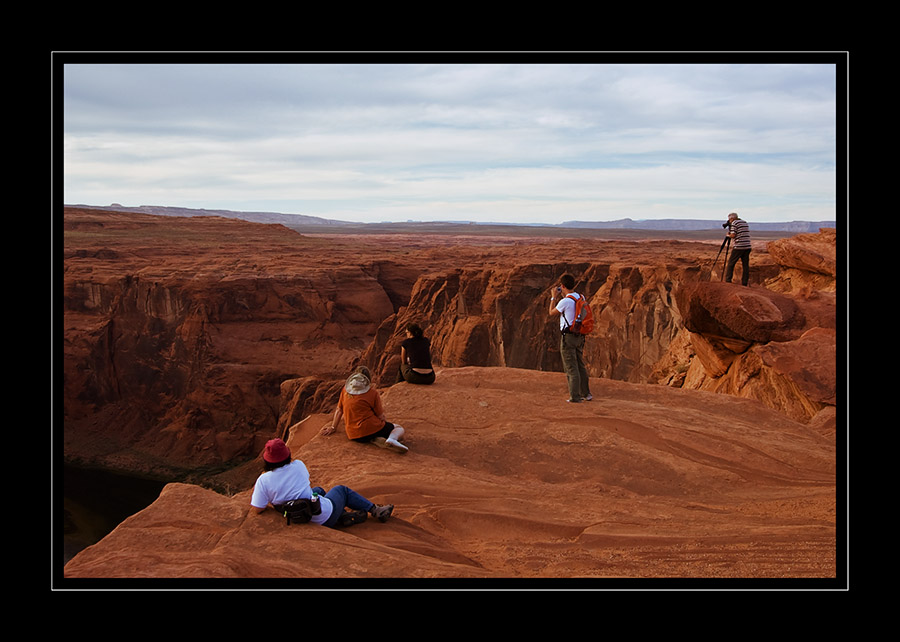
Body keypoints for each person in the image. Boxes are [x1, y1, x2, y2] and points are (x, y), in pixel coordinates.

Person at [249, 438, 394, 527]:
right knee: (341, 490)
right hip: (323, 516)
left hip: (296, 516)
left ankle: (343, 517)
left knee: (318, 490)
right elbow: (303, 482)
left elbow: (258, 508)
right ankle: (376, 510)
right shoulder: (298, 465)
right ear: (287, 455)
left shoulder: (263, 480)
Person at [321, 366, 409, 453]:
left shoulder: (345, 390)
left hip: (353, 435)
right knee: (398, 428)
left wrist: (333, 427)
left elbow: (339, 410)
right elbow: (380, 416)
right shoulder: (372, 393)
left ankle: (374, 439)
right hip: (370, 428)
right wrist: (384, 425)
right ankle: (391, 439)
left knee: (370, 433)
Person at [549, 274, 592, 403]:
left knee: (571, 367)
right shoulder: (580, 297)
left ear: (562, 286)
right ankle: (586, 393)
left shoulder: (565, 301)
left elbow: (551, 313)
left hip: (568, 337)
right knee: (580, 365)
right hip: (580, 335)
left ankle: (575, 397)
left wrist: (553, 297)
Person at [724, 212, 752, 286]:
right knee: (745, 265)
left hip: (739, 247)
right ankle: (744, 282)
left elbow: (733, 235)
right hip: (747, 246)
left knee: (731, 263)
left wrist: (728, 235)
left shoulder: (734, 223)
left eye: (729, 219)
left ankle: (728, 280)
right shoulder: (744, 222)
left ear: (731, 218)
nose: (729, 221)